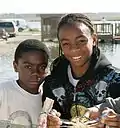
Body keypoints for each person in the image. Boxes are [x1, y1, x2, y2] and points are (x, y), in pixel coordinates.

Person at [42, 13, 120, 123]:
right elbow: (49, 112)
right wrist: (51, 119)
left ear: (94, 39)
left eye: (81, 41)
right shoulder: (52, 83)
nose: (74, 48)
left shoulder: (116, 79)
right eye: (66, 43)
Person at [0, 39, 54, 126]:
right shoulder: (3, 92)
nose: (35, 72)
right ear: (15, 66)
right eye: (28, 66)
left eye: (42, 67)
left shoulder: (48, 101)